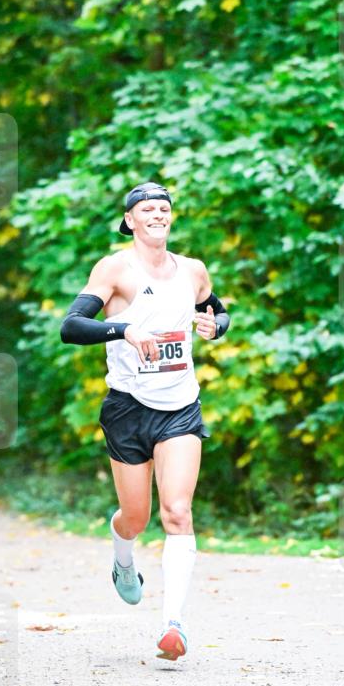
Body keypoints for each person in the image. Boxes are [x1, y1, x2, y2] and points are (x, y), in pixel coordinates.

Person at [59, 182, 230, 661]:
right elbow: (71, 327)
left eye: (164, 208)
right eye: (147, 209)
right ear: (130, 220)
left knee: (176, 512)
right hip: (128, 407)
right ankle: (122, 558)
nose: (157, 214)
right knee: (135, 518)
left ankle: (172, 625)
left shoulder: (192, 271)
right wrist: (124, 329)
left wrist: (215, 326)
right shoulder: (117, 268)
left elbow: (219, 312)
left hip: (180, 406)